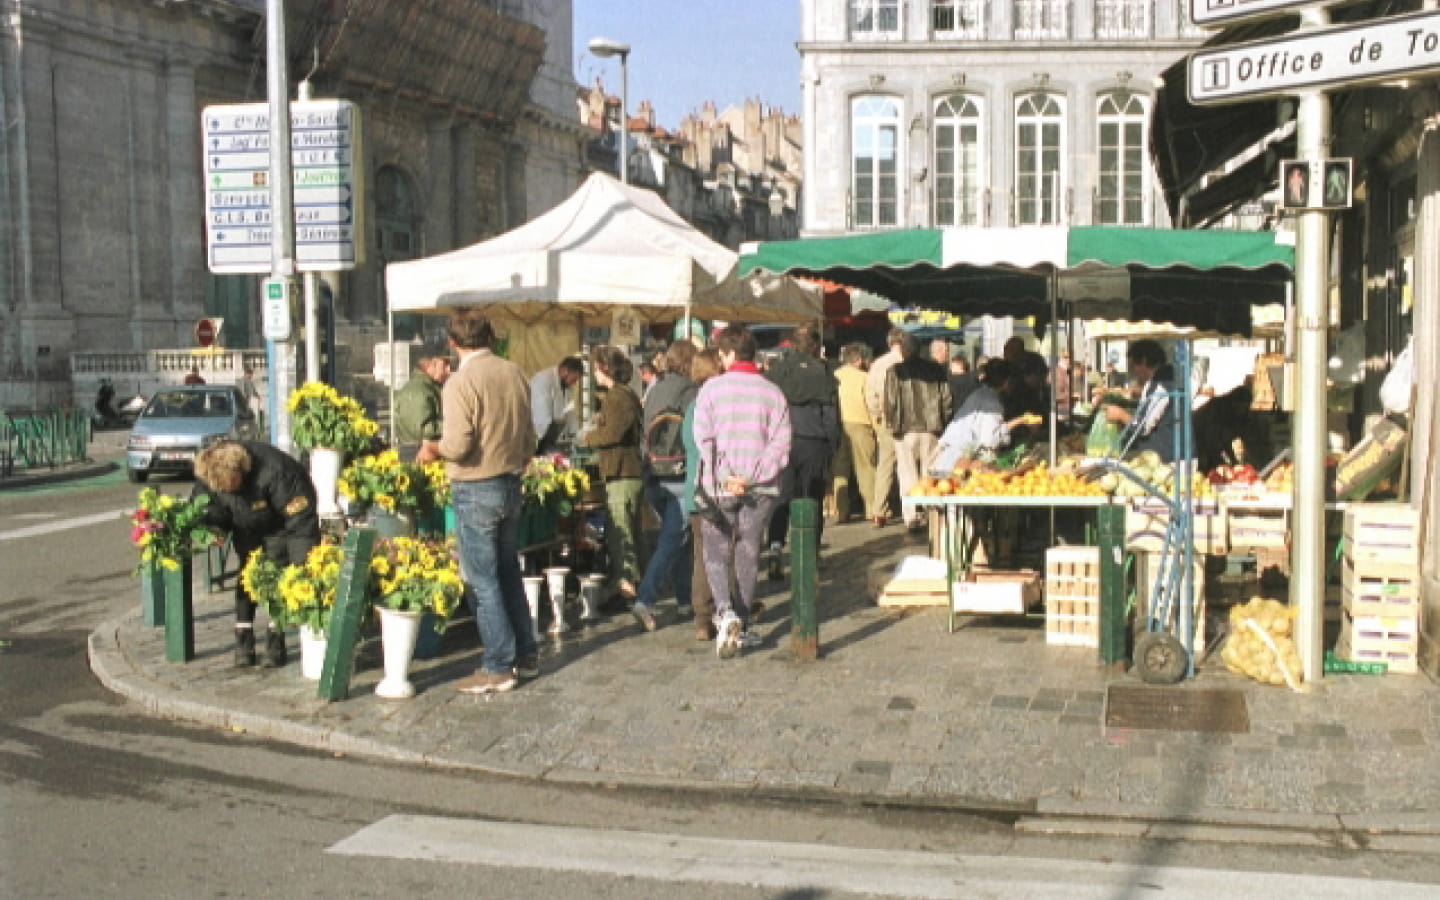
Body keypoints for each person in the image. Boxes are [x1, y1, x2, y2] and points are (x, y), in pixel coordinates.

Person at [417, 308, 538, 695]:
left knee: (482, 581)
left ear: (452, 343)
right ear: (490, 337)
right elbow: (530, 440)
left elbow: (459, 444)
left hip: (475, 486)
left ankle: (498, 665)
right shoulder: (514, 372)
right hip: (510, 483)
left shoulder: (459, 382)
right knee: (507, 573)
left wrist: (433, 448)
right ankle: (526, 653)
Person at [693, 324, 791, 659]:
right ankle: (743, 623)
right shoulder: (773, 393)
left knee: (716, 551)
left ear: (729, 354)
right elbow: (781, 444)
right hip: (760, 488)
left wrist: (726, 475)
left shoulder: (710, 390)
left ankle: (725, 612)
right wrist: (752, 476)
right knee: (749, 550)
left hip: (719, 487)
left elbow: (703, 440)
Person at [192, 440, 320, 667]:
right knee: (247, 574)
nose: (228, 490)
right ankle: (243, 638)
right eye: (223, 488)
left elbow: (301, 524)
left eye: (231, 485)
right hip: (245, 524)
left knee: (277, 574)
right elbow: (208, 507)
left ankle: (275, 636)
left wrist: (303, 566)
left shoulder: (277, 471)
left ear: (241, 471)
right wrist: (213, 529)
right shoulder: (209, 473)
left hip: (279, 525)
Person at [631, 341, 698, 630]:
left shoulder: (654, 389)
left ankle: (685, 600)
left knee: (680, 538)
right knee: (672, 540)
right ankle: (645, 600)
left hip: (653, 474)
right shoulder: (691, 392)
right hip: (679, 476)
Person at [764, 323, 839, 564]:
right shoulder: (824, 373)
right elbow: (831, 414)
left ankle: (775, 546)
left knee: (782, 497)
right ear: (816, 346)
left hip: (782, 440)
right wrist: (833, 444)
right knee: (812, 498)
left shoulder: (778, 370)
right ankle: (811, 553)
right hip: (815, 442)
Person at [580, 346, 645, 610]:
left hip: (623, 472)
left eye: (597, 367)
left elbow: (612, 434)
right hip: (624, 471)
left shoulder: (618, 396)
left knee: (623, 535)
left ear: (606, 368)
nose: (595, 373)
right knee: (627, 531)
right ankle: (630, 583)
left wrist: (588, 437)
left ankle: (627, 587)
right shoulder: (620, 396)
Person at [884, 333, 953, 530]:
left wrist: (892, 426)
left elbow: (890, 402)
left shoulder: (895, 371)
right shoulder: (935, 370)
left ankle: (912, 516)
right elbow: (946, 398)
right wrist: (943, 421)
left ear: (903, 350)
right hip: (932, 427)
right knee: (930, 472)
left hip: (905, 429)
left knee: (907, 474)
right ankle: (932, 512)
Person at [682, 350, 723, 642]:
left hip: (693, 491)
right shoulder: (718, 404)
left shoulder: (692, 406)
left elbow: (689, 446)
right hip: (717, 489)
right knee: (725, 553)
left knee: (701, 555)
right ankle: (726, 611)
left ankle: (702, 619)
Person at [1104, 339, 1180, 462]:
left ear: (1144, 361)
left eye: (1134, 366)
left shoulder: (1159, 385)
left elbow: (1143, 427)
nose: (1134, 372)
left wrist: (1121, 414)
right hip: (1175, 451)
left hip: (1166, 456)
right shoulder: (1172, 377)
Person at [863, 328, 907, 527]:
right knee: (909, 466)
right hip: (909, 420)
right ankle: (912, 510)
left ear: (890, 343)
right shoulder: (908, 362)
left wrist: (878, 415)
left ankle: (878, 510)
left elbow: (870, 394)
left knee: (885, 466)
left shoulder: (878, 364)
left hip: (887, 419)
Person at [830, 343, 876, 525]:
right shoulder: (865, 378)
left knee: (840, 470)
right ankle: (872, 510)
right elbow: (871, 404)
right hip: (861, 424)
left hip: (839, 425)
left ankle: (842, 511)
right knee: (866, 468)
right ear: (858, 360)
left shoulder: (835, 375)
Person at [392, 350, 450, 462]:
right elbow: (422, 429)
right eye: (444, 365)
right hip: (419, 453)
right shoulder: (419, 391)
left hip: (420, 450)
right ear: (429, 365)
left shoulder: (426, 387)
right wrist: (454, 424)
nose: (448, 370)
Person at [529, 356, 583, 454]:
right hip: (540, 440)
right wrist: (554, 443)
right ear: (565, 371)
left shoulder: (566, 385)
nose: (574, 383)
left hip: (555, 438)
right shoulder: (543, 381)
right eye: (574, 379)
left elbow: (570, 412)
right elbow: (542, 417)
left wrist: (577, 435)